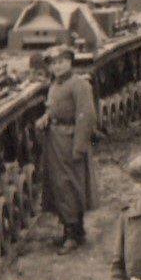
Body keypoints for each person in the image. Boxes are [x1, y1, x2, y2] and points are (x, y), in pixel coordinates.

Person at [36, 45, 98, 254]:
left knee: (70, 185)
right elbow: (53, 107)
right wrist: (46, 117)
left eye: (61, 61)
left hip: (70, 139)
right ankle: (72, 230)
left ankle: (73, 234)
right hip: (56, 139)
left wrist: (79, 146)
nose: (58, 66)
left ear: (70, 62)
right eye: (53, 63)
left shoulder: (78, 84)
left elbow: (86, 115)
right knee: (60, 185)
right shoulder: (56, 84)